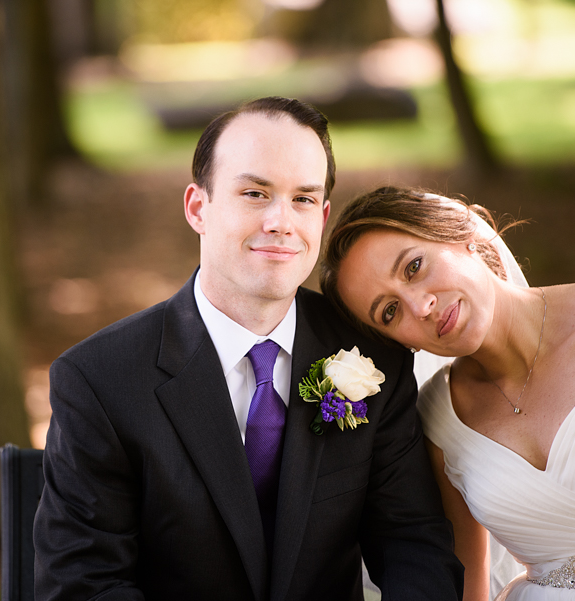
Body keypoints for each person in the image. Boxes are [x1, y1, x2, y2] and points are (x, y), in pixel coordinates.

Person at [33, 99, 464, 600]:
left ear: (322, 216)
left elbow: (413, 544)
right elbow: (84, 585)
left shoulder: (375, 359)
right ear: (198, 207)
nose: (281, 221)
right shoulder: (100, 381)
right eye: (256, 193)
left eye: (303, 199)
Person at [320, 185, 575, 601]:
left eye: (414, 266)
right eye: (390, 311)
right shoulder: (438, 417)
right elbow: (467, 587)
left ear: (459, 234)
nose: (422, 305)